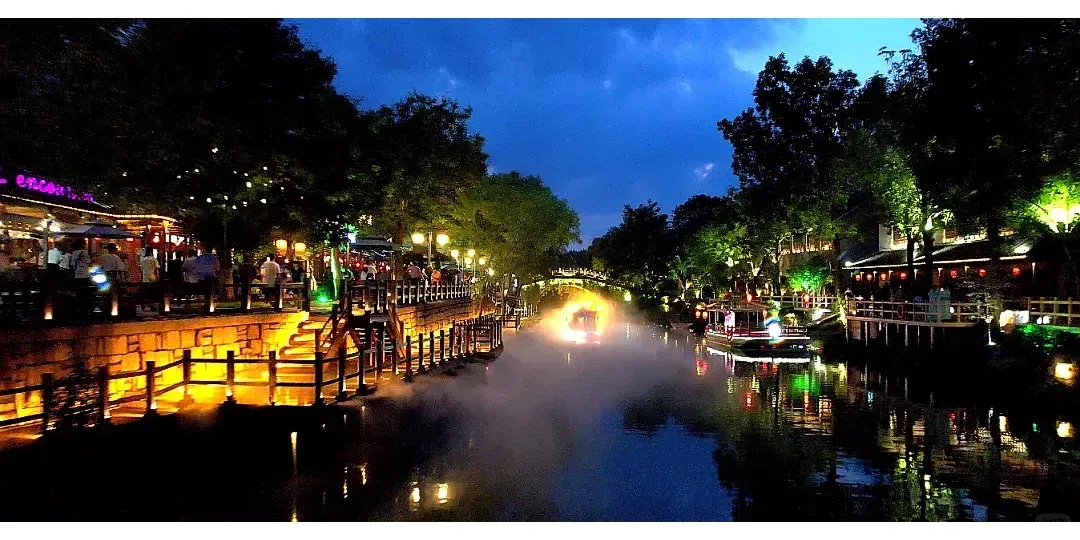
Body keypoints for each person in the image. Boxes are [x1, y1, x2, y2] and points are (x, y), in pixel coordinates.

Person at [139, 246, 159, 311]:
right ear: (151, 252)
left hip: (145, 278)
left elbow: (141, 270)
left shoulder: (143, 260)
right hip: (152, 277)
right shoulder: (153, 259)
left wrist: (141, 278)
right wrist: (158, 278)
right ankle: (152, 305)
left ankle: (144, 306)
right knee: (152, 293)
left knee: (145, 293)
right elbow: (156, 269)